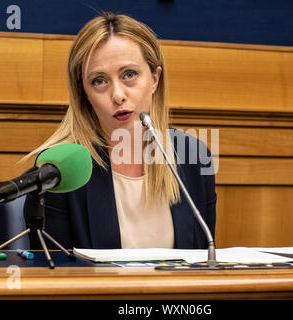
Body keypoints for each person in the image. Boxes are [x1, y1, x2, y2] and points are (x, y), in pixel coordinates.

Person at [24, 12, 216, 250]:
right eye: (99, 81)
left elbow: (203, 265)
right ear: (84, 92)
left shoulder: (193, 157)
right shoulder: (60, 170)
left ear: (155, 79)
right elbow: (55, 277)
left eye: (129, 75)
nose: (117, 95)